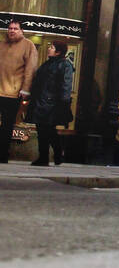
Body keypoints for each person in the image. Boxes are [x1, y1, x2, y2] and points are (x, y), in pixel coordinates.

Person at [26, 39, 74, 166]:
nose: (49, 48)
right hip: (40, 101)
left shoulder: (65, 65)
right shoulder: (47, 64)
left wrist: (64, 103)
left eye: (52, 47)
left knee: (47, 130)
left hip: (52, 103)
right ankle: (48, 156)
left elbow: (66, 85)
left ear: (58, 51)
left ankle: (52, 155)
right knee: (43, 129)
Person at [0, 20, 38, 163]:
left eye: (16, 28)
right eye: (10, 28)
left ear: (22, 31)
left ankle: (2, 155)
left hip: (13, 93)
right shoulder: (2, 44)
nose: (12, 31)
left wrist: (26, 90)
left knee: (7, 125)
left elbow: (30, 69)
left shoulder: (28, 45)